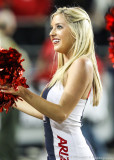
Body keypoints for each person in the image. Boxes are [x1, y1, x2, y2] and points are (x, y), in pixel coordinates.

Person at [0, 7, 102, 160]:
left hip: (73, 154)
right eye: (52, 27)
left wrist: (24, 92)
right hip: (58, 154)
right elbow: (45, 114)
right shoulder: (64, 68)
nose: (51, 32)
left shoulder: (82, 63)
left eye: (59, 27)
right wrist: (9, 97)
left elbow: (61, 114)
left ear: (76, 30)